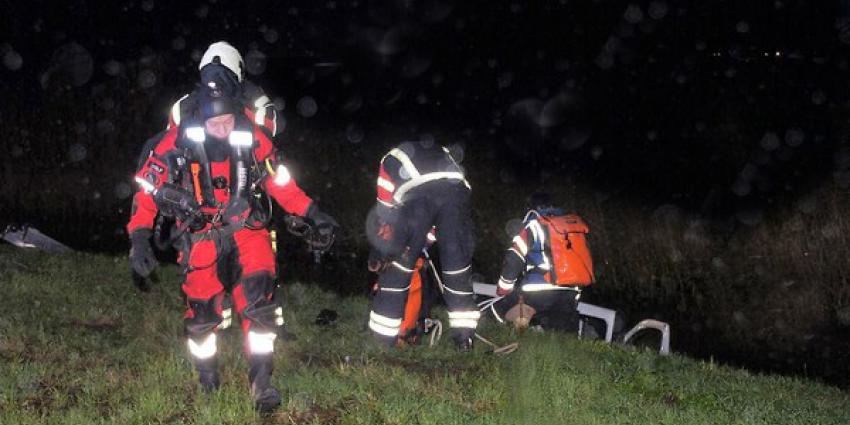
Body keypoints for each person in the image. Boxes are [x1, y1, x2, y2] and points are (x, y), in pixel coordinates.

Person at [127, 85, 336, 412]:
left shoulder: (254, 137)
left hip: (247, 230)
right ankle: (208, 377)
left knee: (258, 305)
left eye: (228, 120)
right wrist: (139, 238)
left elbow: (281, 183)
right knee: (201, 316)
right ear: (200, 119)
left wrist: (313, 214)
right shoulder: (175, 142)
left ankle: (262, 382)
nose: (222, 129)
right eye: (215, 123)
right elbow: (145, 192)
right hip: (199, 237)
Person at [366, 141, 479, 350]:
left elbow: (385, 212)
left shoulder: (389, 159)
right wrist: (426, 237)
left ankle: (383, 343)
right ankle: (465, 340)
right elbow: (445, 211)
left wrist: (389, 248)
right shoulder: (444, 154)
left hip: (417, 197)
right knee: (457, 270)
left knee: (396, 269)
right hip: (458, 195)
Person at [489, 193, 594, 331]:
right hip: (570, 293)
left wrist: (504, 288)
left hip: (538, 291)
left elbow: (514, 258)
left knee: (497, 310)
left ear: (531, 208)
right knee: (561, 335)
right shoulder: (568, 228)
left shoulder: (534, 225)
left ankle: (505, 336)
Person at [167, 41, 280, 139]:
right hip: (197, 161)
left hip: (244, 160)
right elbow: (168, 145)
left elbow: (265, 142)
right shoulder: (184, 106)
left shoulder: (256, 101)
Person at [369, 228, 437, 346]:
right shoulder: (392, 217)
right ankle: (389, 336)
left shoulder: (423, 215)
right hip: (392, 264)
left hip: (411, 263)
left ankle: (405, 335)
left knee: (414, 296)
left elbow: (430, 237)